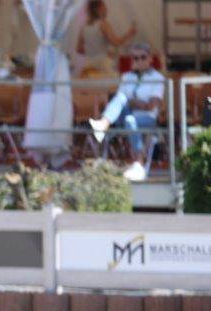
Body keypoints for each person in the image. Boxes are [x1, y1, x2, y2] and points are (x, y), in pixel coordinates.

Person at [88, 43, 165, 182]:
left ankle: (138, 163)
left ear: (150, 59)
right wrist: (133, 102)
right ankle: (103, 124)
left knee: (130, 117)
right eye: (135, 58)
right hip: (126, 114)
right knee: (121, 98)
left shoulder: (157, 77)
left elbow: (151, 106)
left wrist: (130, 102)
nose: (139, 61)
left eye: (143, 57)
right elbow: (122, 101)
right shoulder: (127, 77)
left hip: (146, 117)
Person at [75, 0, 135, 76]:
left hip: (89, 65)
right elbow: (116, 42)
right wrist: (129, 34)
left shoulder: (84, 27)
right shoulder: (103, 25)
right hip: (103, 65)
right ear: (99, 9)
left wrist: (93, 52)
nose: (106, 9)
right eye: (104, 7)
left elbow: (79, 49)